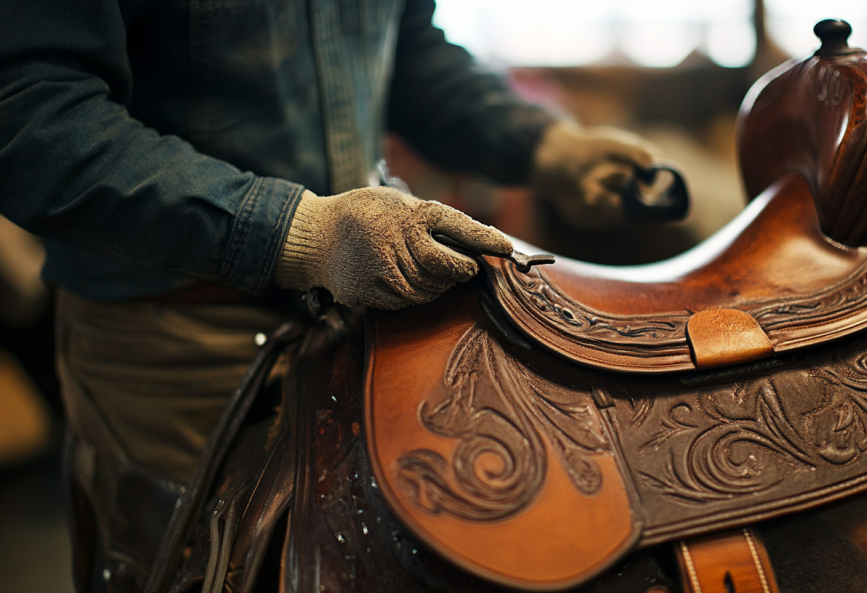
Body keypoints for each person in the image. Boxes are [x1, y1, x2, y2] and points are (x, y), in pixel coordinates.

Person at [0, 0, 667, 590]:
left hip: (361, 314)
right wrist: (298, 232)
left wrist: (541, 142)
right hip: (180, 340)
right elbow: (29, 113)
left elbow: (406, 50)